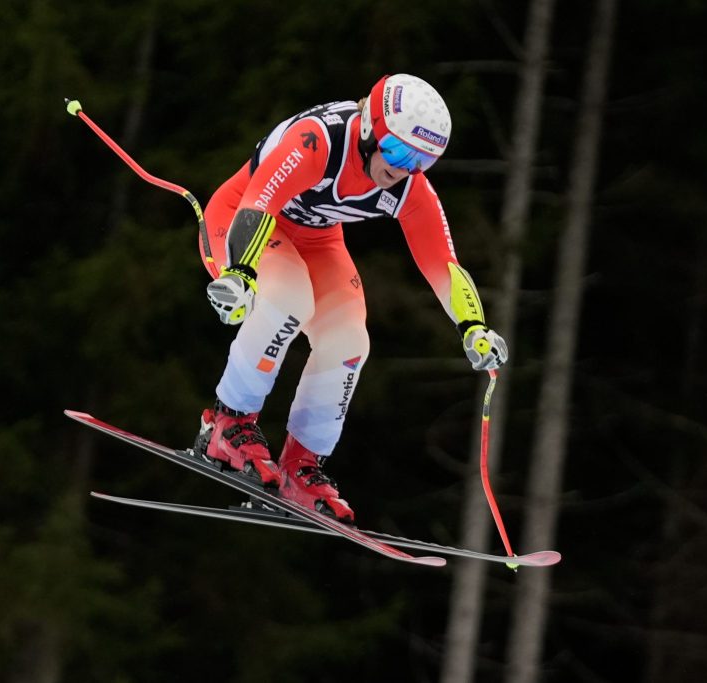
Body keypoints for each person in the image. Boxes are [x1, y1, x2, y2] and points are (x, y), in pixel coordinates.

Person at [194, 73, 508, 523]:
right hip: (240, 221)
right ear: (369, 128)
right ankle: (229, 423)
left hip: (316, 241)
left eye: (422, 160)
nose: (402, 168)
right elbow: (259, 203)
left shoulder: (407, 185)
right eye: (399, 150)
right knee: (288, 301)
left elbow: (444, 263)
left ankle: (300, 465)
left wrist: (473, 326)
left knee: (349, 343)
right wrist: (241, 272)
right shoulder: (319, 142)